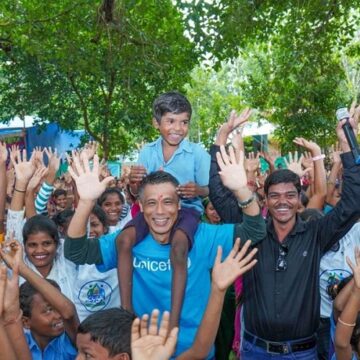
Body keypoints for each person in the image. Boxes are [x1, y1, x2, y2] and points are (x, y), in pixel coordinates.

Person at [64, 147, 266, 358]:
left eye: (168, 202)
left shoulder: (203, 237)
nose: (160, 211)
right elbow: (75, 252)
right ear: (141, 206)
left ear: (179, 205)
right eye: (152, 203)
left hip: (195, 353)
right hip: (144, 354)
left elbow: (255, 231)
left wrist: (241, 189)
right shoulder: (128, 240)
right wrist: (86, 202)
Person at [209, 106, 360, 358]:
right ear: (265, 200)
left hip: (302, 353)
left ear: (298, 197)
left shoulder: (316, 232)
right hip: (255, 350)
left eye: (290, 195)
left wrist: (347, 143)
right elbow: (219, 194)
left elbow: (353, 201)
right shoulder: (252, 231)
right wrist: (221, 139)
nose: (283, 202)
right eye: (275, 196)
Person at [117, 91, 213, 329]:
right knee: (123, 241)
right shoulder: (147, 152)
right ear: (156, 123)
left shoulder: (198, 153)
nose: (178, 128)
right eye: (171, 121)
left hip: (187, 211)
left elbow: (209, 189)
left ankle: (174, 318)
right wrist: (133, 182)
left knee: (179, 246)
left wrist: (196, 191)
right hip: (153, 210)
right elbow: (137, 192)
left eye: (184, 122)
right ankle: (126, 310)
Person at [0, 238, 79, 360]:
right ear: (26, 322)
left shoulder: (71, 340)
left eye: (58, 307)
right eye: (48, 310)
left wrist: (21, 268)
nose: (59, 315)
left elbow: (68, 313)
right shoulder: (17, 341)